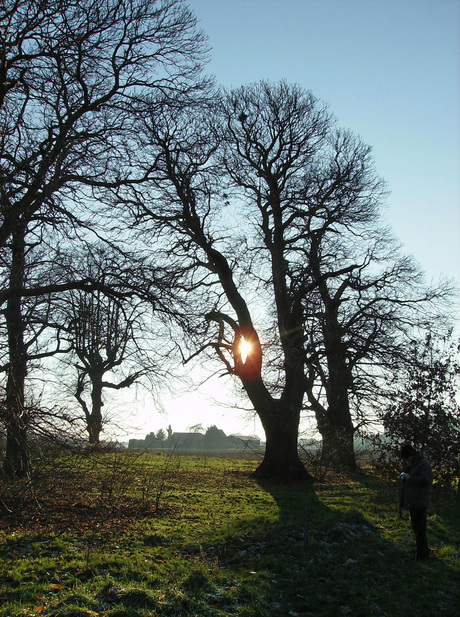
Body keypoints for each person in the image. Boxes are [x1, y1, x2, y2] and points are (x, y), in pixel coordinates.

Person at [399, 443, 433, 560]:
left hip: (419, 501)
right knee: (417, 528)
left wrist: (409, 478)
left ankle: (422, 555)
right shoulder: (417, 463)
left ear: (410, 455)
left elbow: (425, 480)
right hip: (415, 501)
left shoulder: (423, 464)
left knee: (419, 529)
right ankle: (422, 553)